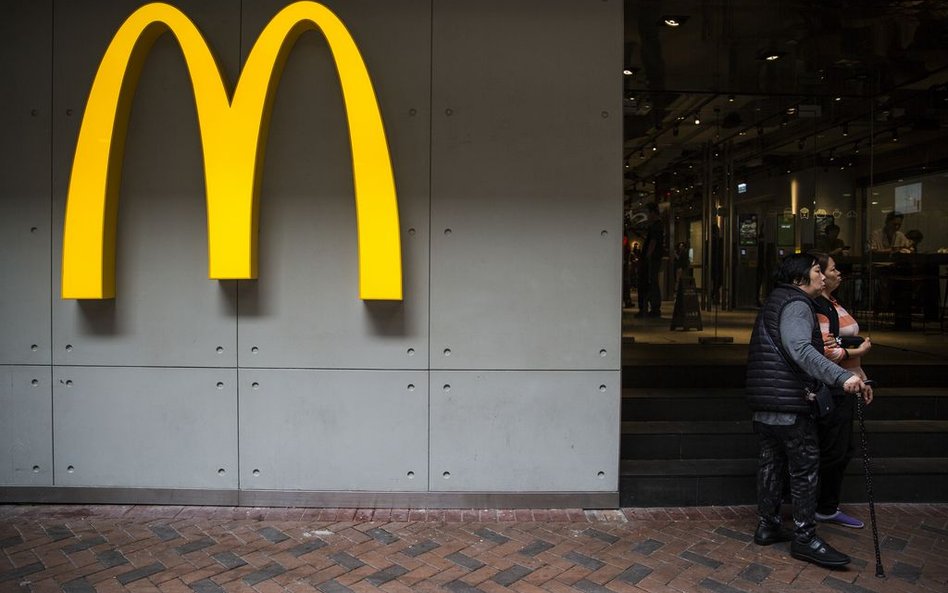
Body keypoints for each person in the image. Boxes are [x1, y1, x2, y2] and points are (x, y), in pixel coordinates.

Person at [746, 253, 866, 568]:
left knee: (771, 465)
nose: (823, 277)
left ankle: (768, 524)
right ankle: (805, 537)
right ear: (800, 276)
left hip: (767, 401)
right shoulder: (797, 305)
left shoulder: (776, 300)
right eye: (817, 271)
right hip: (789, 401)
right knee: (805, 469)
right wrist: (843, 377)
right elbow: (800, 350)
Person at [810, 251, 874, 529]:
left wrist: (861, 375)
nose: (839, 273)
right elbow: (824, 350)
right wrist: (856, 351)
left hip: (848, 380)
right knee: (835, 448)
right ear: (820, 277)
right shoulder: (820, 308)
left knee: (842, 447)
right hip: (835, 385)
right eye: (833, 269)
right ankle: (822, 505)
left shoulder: (831, 303)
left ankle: (825, 504)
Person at [635, 202, 664, 318]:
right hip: (653, 258)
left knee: (651, 282)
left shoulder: (656, 226)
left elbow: (653, 242)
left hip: (652, 259)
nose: (647, 215)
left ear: (652, 212)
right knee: (651, 282)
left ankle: (653, 308)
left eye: (648, 213)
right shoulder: (656, 226)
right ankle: (652, 308)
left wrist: (647, 256)